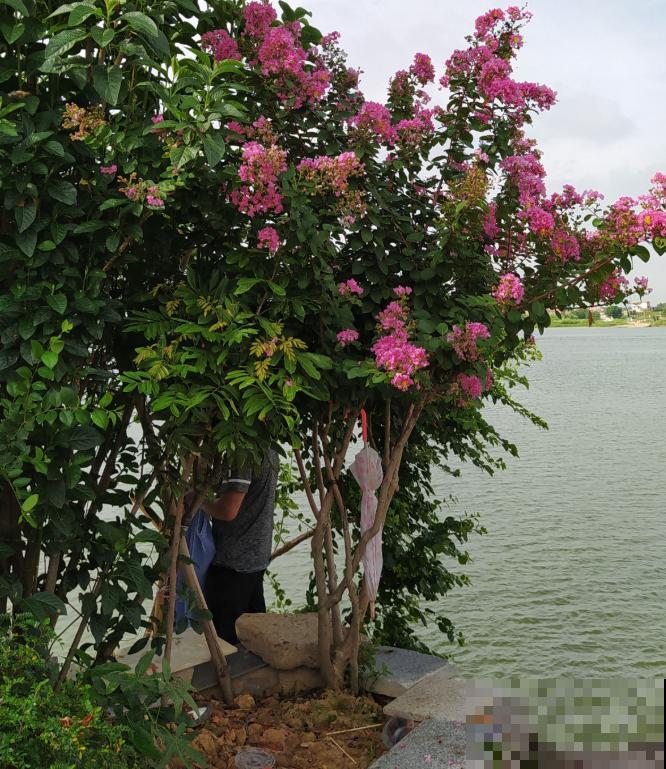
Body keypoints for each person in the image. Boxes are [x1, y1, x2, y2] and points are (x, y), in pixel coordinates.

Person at [200, 449, 278, 644]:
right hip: (256, 557)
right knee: (255, 638)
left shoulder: (241, 454)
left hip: (233, 563)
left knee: (225, 642)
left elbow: (228, 510)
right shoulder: (269, 448)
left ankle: (227, 674)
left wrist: (199, 499)